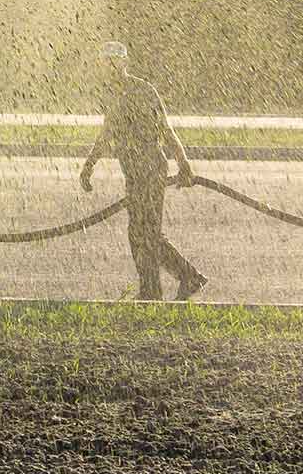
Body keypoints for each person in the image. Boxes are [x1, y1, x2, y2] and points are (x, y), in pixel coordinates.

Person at [80, 41, 208, 301]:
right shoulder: (112, 94)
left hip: (149, 168)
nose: (112, 68)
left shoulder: (142, 90)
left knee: (145, 233)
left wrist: (184, 164)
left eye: (115, 62)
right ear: (101, 67)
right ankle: (160, 287)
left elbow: (165, 128)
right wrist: (89, 165)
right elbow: (107, 134)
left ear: (125, 63)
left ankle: (169, 284)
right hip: (135, 170)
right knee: (142, 233)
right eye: (107, 63)